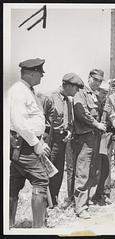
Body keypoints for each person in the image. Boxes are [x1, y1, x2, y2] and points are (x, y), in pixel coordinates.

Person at [9, 58, 51, 228]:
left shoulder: (27, 90)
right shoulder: (19, 91)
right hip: (24, 145)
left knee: (14, 183)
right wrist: (35, 143)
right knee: (40, 180)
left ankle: (9, 225)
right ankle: (38, 229)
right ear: (32, 73)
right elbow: (19, 122)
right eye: (40, 73)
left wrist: (39, 140)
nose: (42, 76)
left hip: (24, 143)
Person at [45, 73, 84, 208]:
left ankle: (53, 202)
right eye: (75, 88)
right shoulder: (50, 97)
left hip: (63, 139)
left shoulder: (68, 100)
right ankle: (45, 203)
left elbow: (68, 120)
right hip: (51, 140)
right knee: (49, 171)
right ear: (67, 86)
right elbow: (42, 120)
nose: (77, 91)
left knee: (59, 173)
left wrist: (69, 131)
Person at [72, 69, 107, 219]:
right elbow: (81, 112)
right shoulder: (81, 94)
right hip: (85, 137)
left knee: (93, 170)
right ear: (89, 78)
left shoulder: (95, 95)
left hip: (95, 138)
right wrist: (96, 124)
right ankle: (80, 207)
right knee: (83, 171)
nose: (98, 83)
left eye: (100, 81)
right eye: (95, 80)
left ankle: (87, 201)